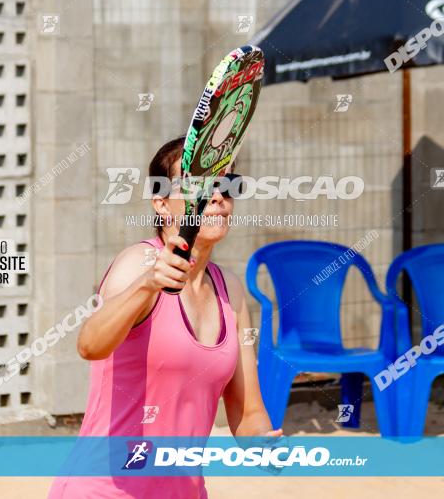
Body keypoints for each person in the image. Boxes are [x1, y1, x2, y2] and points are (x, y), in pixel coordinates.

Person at [48, 136, 281, 499]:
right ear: (161, 203)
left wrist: (264, 447)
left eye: (229, 185)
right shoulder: (137, 264)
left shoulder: (231, 292)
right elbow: (89, 345)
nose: (218, 197)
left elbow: (247, 410)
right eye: (201, 186)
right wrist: (148, 284)